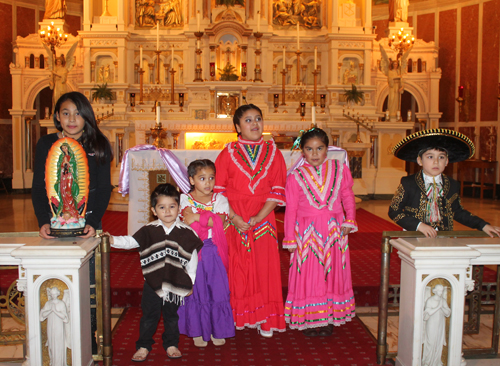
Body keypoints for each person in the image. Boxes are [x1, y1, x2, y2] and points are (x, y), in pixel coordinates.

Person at [108, 184, 204, 361]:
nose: (167, 211)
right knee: (149, 316)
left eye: (172, 206)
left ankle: (171, 344)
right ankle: (143, 345)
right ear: (153, 210)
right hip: (152, 283)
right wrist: (112, 239)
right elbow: (131, 241)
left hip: (176, 283)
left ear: (179, 208)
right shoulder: (149, 230)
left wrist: (190, 282)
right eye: (162, 207)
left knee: (171, 317)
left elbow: (192, 260)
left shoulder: (187, 233)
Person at [214, 104, 287, 338]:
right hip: (234, 216)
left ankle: (265, 318)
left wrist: (259, 216)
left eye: (258, 118)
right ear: (237, 127)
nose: (255, 124)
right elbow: (218, 191)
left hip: (263, 216)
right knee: (238, 267)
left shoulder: (274, 152)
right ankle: (241, 315)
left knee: (264, 266)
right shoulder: (227, 153)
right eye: (248, 120)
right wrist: (234, 218)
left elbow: (277, 190)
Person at [283, 128, 357, 337]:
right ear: (302, 151)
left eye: (319, 148)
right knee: (310, 274)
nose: (314, 154)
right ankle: (310, 318)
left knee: (332, 273)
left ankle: (329, 318)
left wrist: (349, 219)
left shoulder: (339, 168)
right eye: (309, 149)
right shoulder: (295, 176)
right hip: (307, 233)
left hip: (334, 229)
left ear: (327, 149)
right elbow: (291, 209)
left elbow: (347, 195)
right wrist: (290, 236)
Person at [389, 128, 500, 238]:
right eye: (430, 157)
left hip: (443, 236)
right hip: (414, 234)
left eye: (441, 157)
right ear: (419, 160)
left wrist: (483, 225)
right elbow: (394, 210)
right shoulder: (408, 183)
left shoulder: (452, 185)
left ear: (447, 161)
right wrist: (418, 225)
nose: (436, 161)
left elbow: (458, 212)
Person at [32, 91, 113, 239]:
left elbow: (104, 188)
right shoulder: (45, 144)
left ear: (86, 116)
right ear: (57, 116)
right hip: (54, 220)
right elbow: (38, 187)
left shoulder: (98, 145)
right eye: (66, 113)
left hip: (88, 221)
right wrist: (43, 221)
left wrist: (93, 222)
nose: (72, 120)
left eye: (78, 114)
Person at [177, 159, 235, 347]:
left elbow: (220, 222)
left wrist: (197, 216)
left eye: (211, 178)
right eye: (202, 178)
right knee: (197, 289)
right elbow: (188, 220)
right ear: (192, 180)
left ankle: (219, 329)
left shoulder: (220, 199)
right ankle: (197, 329)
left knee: (217, 289)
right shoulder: (184, 199)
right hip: (193, 250)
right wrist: (206, 218)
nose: (208, 183)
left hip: (215, 250)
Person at [40, 287, 70, 366]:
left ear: (58, 294)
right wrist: (50, 310)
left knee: (58, 345)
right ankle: (52, 362)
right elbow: (42, 315)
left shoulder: (61, 303)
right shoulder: (48, 303)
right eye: (52, 294)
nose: (53, 296)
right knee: (51, 345)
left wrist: (55, 311)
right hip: (50, 327)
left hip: (59, 327)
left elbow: (65, 317)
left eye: (55, 294)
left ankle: (59, 363)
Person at [422, 284, 450, 366]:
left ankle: (436, 362)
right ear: (435, 291)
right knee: (430, 341)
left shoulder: (443, 300)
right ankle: (427, 361)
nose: (441, 292)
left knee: (438, 341)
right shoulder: (430, 300)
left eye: (442, 290)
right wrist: (438, 307)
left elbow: (448, 313)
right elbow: (428, 312)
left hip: (440, 323)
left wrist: (442, 308)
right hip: (431, 323)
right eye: (440, 290)